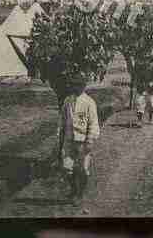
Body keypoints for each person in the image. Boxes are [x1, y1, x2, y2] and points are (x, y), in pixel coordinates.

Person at [57, 74, 100, 206]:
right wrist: (59, 135)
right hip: (69, 139)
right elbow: (62, 120)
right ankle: (74, 190)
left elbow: (93, 123)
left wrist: (90, 140)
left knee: (82, 168)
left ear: (83, 86)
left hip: (83, 140)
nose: (74, 87)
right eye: (72, 84)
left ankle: (79, 194)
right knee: (66, 167)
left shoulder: (89, 102)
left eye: (77, 85)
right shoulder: (68, 100)